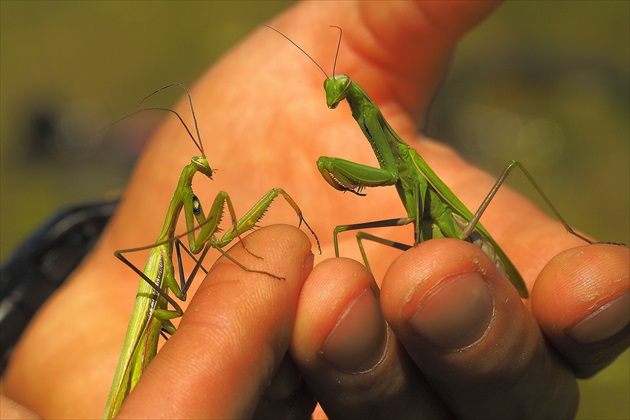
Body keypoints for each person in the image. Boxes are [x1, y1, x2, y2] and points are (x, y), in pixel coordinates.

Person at [2, 1, 628, 418]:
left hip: (459, 227)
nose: (334, 95)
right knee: (360, 247)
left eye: (338, 90)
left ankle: (570, 234)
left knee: (485, 205)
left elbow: (385, 171)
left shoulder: (382, 136)